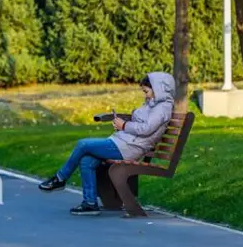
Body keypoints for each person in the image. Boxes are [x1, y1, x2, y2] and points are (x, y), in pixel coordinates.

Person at [38, 71, 175, 215]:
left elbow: (146, 128)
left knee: (83, 144)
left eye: (146, 91)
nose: (145, 95)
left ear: (158, 89)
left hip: (130, 148)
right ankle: (90, 204)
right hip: (124, 142)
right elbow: (141, 125)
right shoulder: (152, 104)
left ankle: (60, 178)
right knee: (87, 160)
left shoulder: (162, 108)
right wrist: (122, 125)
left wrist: (124, 125)